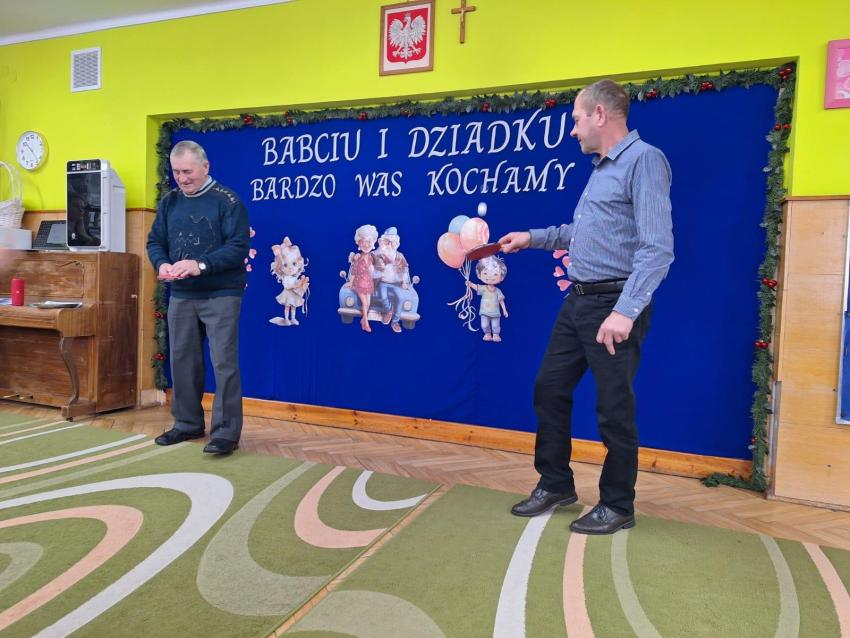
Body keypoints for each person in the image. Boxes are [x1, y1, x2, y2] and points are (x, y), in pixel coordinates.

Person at [500, 79, 674, 534]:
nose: (573, 130)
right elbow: (580, 236)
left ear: (600, 114)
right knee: (548, 389)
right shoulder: (601, 169)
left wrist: (625, 311)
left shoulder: (644, 160)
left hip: (613, 305)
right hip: (578, 302)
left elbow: (658, 249)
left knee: (614, 408)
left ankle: (617, 505)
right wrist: (531, 238)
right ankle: (555, 483)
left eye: (576, 119)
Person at [147, 140, 250, 455]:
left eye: (188, 171)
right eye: (176, 172)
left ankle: (226, 433)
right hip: (181, 295)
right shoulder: (170, 202)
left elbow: (237, 248)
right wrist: (162, 264)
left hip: (221, 293)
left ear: (206, 167)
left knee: (223, 364)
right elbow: (155, 242)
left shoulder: (228, 201)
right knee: (182, 362)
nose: (182, 178)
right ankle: (187, 424)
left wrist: (199, 265)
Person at [373, 227, 411, 333]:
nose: (389, 245)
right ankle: (388, 310)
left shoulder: (400, 256)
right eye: (387, 242)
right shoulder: (378, 254)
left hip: (396, 284)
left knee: (400, 298)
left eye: (392, 243)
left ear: (396, 244)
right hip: (382, 282)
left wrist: (404, 282)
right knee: (382, 296)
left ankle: (395, 322)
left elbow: (405, 268)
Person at [466, 255, 508, 342]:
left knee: (495, 326)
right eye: (485, 273)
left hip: (495, 313)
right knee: (484, 325)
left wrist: (504, 310)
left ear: (501, 277)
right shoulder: (483, 288)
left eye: (495, 274)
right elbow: (476, 287)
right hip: (484, 312)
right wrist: (470, 284)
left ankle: (496, 334)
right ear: (479, 275)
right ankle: (487, 333)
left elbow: (501, 300)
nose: (490, 277)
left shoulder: (498, 291)